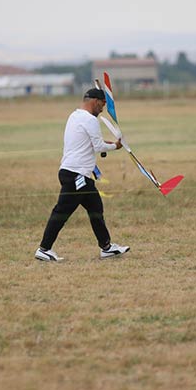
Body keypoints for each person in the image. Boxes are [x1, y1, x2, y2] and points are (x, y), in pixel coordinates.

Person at [35, 88, 129, 262]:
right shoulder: (90, 120)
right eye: (101, 105)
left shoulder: (75, 116)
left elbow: (90, 143)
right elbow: (99, 147)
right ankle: (44, 249)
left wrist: (106, 143)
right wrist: (116, 146)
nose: (102, 109)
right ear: (94, 101)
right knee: (61, 212)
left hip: (74, 173)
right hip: (76, 175)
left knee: (96, 209)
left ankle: (106, 247)